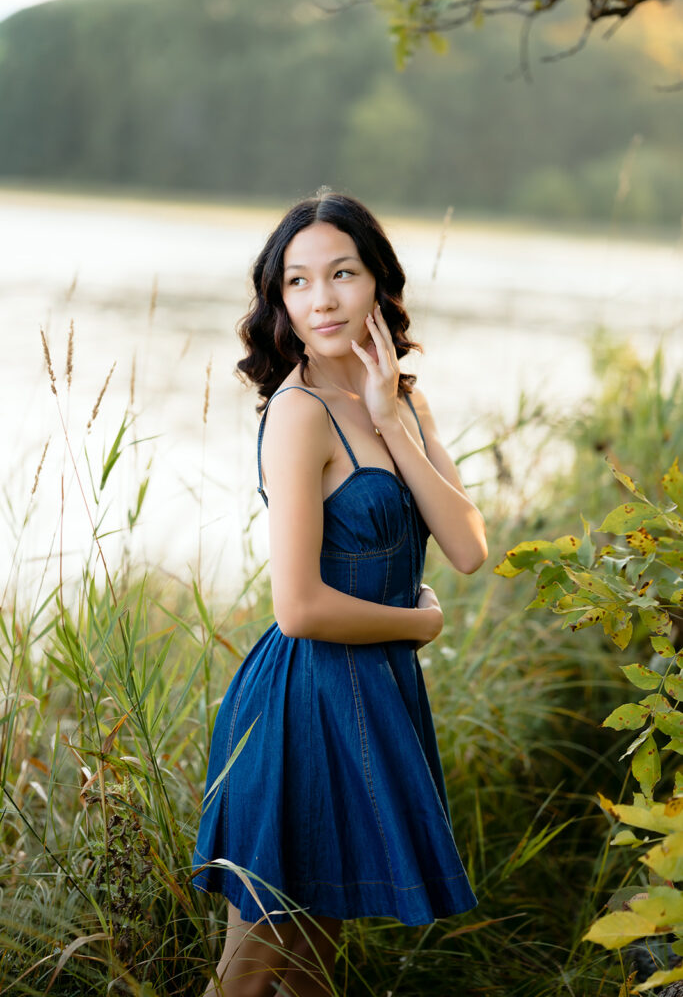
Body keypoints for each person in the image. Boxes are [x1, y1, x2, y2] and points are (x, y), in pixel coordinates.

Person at [192, 191, 488, 997]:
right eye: (297, 281)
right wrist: (417, 625)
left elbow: (466, 546)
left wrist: (393, 419)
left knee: (311, 967)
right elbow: (299, 608)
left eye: (342, 273)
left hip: (373, 701)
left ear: (378, 285)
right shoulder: (297, 412)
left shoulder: (403, 401)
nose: (321, 299)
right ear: (277, 299)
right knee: (252, 970)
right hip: (301, 705)